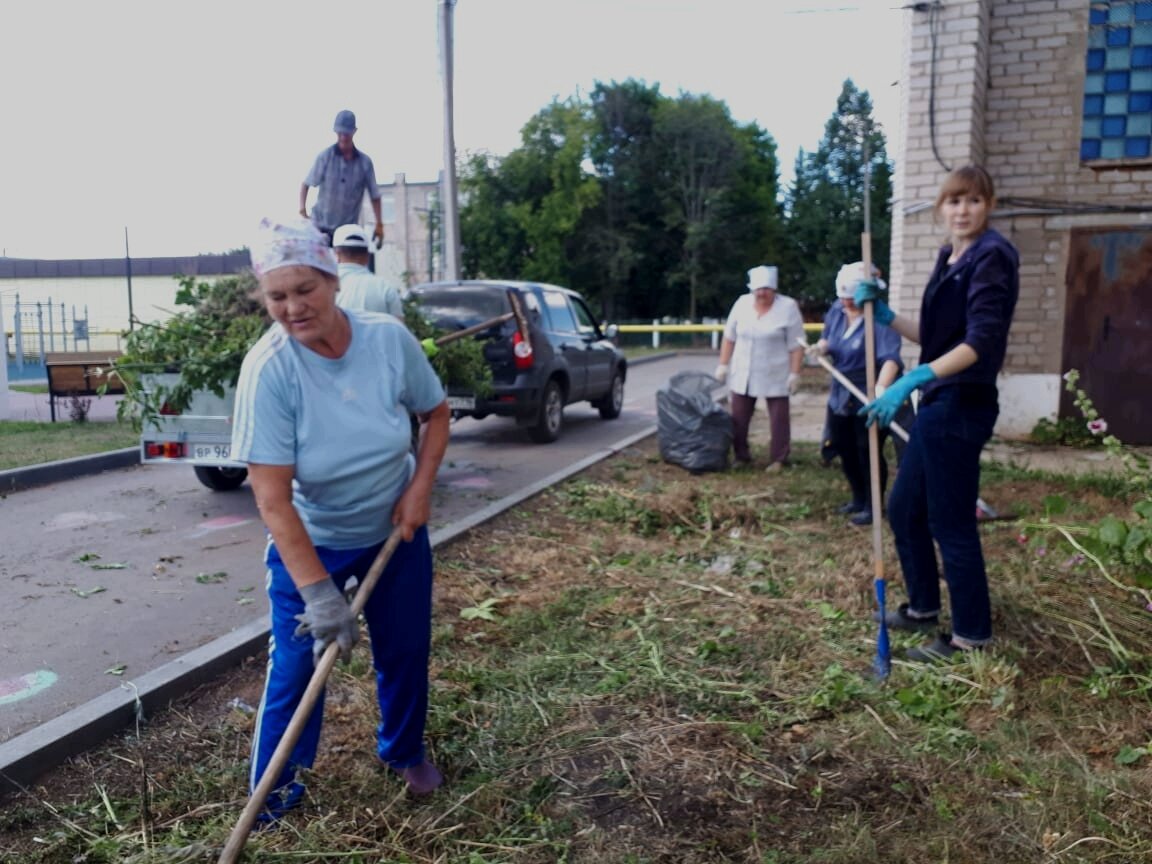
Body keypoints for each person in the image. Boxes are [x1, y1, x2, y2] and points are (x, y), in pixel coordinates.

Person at [230, 217, 451, 820]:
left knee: (405, 649)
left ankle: (403, 750)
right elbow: (272, 497)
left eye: (305, 289)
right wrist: (318, 594)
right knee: (298, 670)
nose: (293, 307)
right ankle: (274, 797)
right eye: (277, 297)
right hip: (314, 540)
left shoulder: (386, 341)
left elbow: (435, 413)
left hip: (395, 531)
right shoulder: (270, 369)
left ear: (333, 280)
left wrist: (420, 488)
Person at [855, 165, 1019, 662]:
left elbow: (980, 340)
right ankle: (923, 607)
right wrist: (885, 315)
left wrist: (914, 378)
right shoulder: (950, 256)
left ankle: (970, 636)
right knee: (905, 509)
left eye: (972, 200)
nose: (962, 210)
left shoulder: (993, 256)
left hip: (962, 402)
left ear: (987, 204)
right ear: (940, 208)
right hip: (939, 402)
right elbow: (938, 337)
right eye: (953, 201)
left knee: (950, 521)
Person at [808, 261, 903, 526]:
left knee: (867, 449)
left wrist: (880, 393)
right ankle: (858, 499)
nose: (847, 304)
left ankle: (874, 506)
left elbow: (891, 360)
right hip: (841, 392)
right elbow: (830, 338)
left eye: (852, 299)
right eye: (843, 298)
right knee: (844, 446)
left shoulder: (880, 319)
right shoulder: (837, 311)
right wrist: (821, 348)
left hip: (870, 390)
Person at [714, 265, 806, 471]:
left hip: (775, 371)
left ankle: (779, 458)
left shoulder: (788, 307)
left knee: (779, 418)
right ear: (752, 289)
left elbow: (796, 344)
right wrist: (723, 364)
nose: (762, 294)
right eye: (758, 290)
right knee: (739, 416)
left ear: (774, 289)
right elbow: (729, 337)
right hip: (744, 370)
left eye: (766, 289)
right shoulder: (741, 304)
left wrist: (795, 373)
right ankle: (741, 455)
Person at [300, 110, 385, 247]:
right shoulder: (325, 157)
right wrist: (303, 211)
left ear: (354, 132)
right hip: (320, 227)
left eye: (346, 134)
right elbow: (306, 184)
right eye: (340, 133)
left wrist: (379, 224)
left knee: (345, 266)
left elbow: (375, 196)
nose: (343, 137)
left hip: (346, 232)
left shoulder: (365, 163)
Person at [333, 223, 404, 317]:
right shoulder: (385, 288)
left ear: (336, 255)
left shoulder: (326, 288)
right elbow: (399, 328)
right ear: (367, 256)